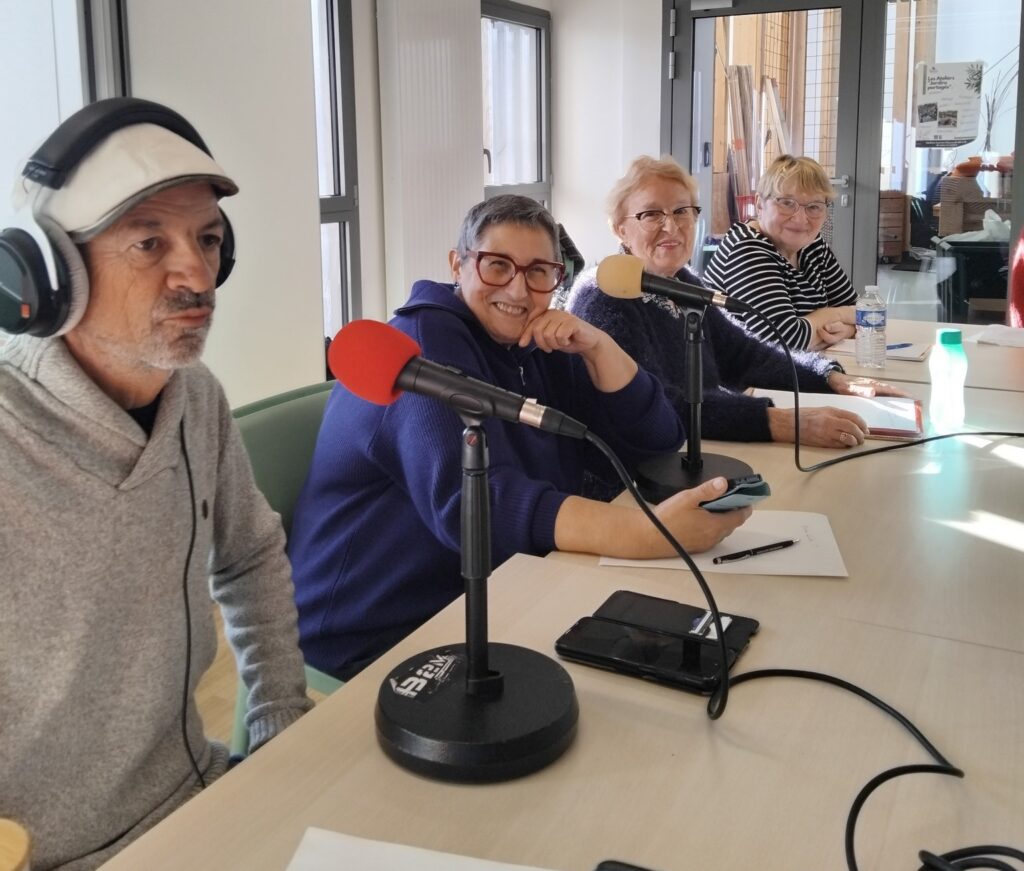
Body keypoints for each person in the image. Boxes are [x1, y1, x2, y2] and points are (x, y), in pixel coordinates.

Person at [0, 98, 312, 870]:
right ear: (53, 273)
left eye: (208, 240)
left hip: (197, 795)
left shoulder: (195, 399)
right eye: (149, 242)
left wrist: (278, 719)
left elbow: (248, 555)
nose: (197, 275)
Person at [288, 195, 750, 680]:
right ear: (458, 264)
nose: (518, 288)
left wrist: (601, 348)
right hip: (373, 635)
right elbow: (475, 506)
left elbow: (655, 444)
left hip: (499, 593)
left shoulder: (539, 341)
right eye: (497, 266)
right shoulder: (420, 352)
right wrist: (648, 533)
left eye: (538, 272)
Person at [567, 156, 906, 448]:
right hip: (630, 473)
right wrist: (779, 422)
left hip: (692, 447)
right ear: (620, 229)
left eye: (682, 211)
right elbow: (653, 407)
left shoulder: (681, 281)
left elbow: (744, 355)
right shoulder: (603, 296)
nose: (671, 226)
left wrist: (830, 379)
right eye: (652, 214)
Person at [703, 154, 857, 350]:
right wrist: (833, 315)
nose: (800, 219)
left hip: (802, 364)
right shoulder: (747, 249)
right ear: (760, 204)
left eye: (814, 207)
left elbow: (867, 314)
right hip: (739, 370)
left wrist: (848, 330)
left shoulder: (812, 245)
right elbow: (783, 341)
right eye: (787, 203)